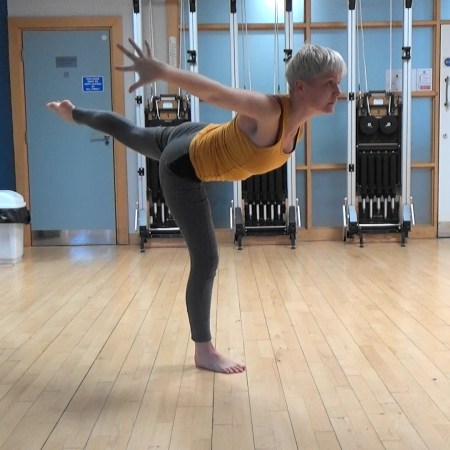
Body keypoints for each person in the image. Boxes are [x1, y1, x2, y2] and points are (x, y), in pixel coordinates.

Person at [47, 38, 346, 374]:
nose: (338, 91)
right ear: (301, 87)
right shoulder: (270, 111)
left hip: (200, 135)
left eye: (338, 82)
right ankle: (204, 351)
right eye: (330, 83)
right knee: (206, 260)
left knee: (133, 133)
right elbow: (216, 93)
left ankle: (73, 113)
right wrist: (162, 71)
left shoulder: (298, 124)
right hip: (183, 166)